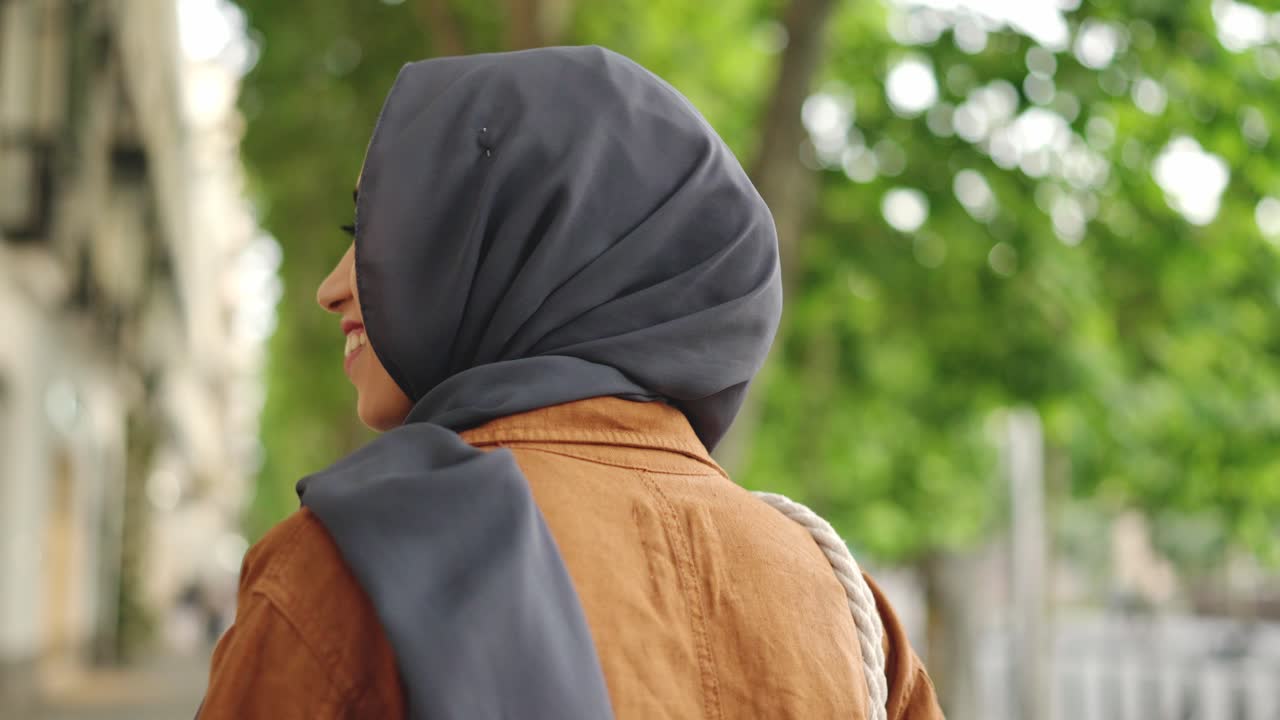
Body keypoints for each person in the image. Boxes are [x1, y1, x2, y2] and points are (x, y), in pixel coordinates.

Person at [199, 45, 942, 719]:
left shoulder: (353, 568)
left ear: (518, 241)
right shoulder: (847, 614)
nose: (331, 289)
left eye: (374, 234)